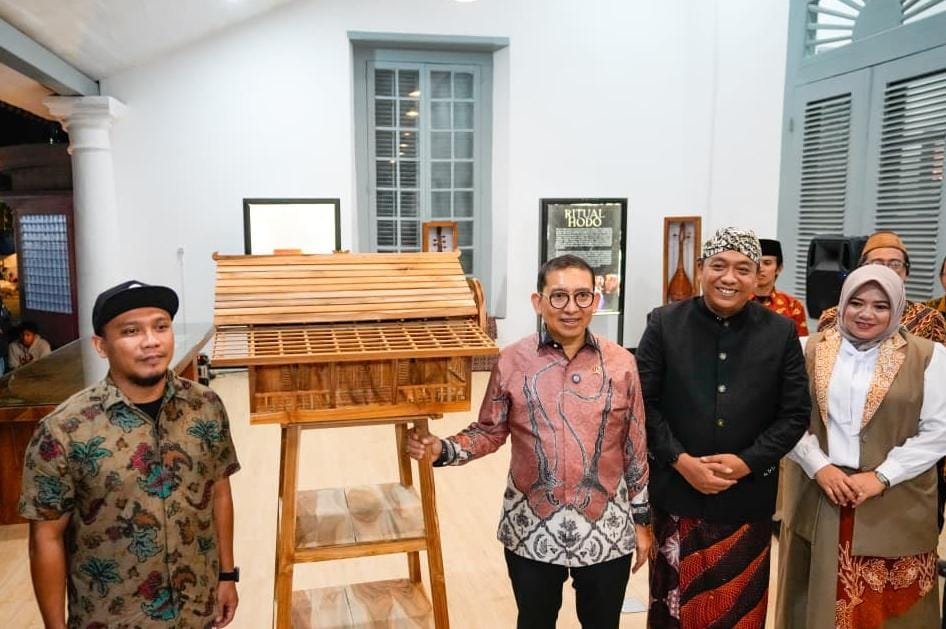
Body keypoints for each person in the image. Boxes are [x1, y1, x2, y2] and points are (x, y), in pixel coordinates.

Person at [406, 254, 651, 629]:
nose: (571, 308)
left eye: (582, 296)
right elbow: (489, 430)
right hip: (531, 526)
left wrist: (642, 521)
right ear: (538, 302)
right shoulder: (512, 361)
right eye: (559, 296)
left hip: (606, 527)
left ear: (596, 301)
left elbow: (635, 447)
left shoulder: (621, 364)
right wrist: (443, 449)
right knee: (534, 621)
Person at [18, 280, 241, 628]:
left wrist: (227, 575)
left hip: (196, 606)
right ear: (101, 345)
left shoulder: (205, 406)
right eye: (131, 331)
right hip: (111, 617)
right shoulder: (64, 430)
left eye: (161, 326)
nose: (151, 341)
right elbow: (45, 538)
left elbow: (220, 492)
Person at [636, 226, 810, 628]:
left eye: (742, 269)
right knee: (674, 613)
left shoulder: (780, 331)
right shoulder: (664, 323)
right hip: (676, 495)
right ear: (701, 269)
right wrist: (680, 460)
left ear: (758, 276)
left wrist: (748, 462)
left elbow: (795, 414)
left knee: (738, 613)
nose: (729, 278)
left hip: (746, 500)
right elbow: (643, 404)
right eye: (719, 266)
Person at [776, 265, 946, 628]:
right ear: (841, 304)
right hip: (820, 493)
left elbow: (938, 431)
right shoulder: (807, 349)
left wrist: (882, 476)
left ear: (897, 308)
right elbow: (783, 418)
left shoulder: (929, 356)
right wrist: (819, 465)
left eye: (881, 306)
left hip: (896, 498)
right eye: (856, 303)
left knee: (887, 611)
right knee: (816, 603)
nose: (866, 313)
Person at [817, 230, 945, 343]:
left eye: (895, 264)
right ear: (861, 269)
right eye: (877, 263)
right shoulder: (833, 317)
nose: (886, 270)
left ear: (906, 273)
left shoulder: (928, 318)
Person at [753, 238, 809, 336]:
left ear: (779, 268)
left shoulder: (793, 306)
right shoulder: (738, 301)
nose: (760, 268)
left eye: (767, 263)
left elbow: (801, 342)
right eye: (756, 263)